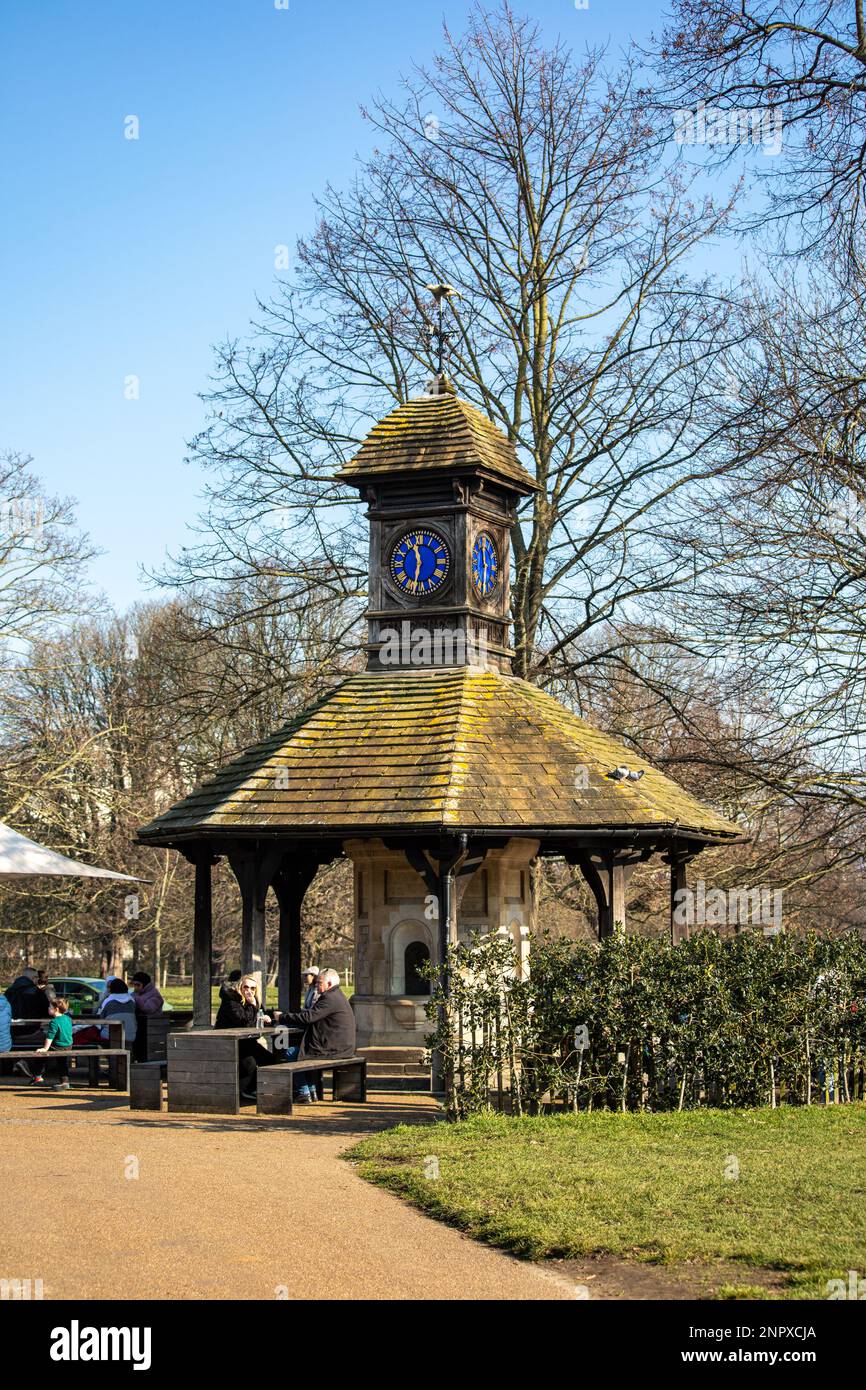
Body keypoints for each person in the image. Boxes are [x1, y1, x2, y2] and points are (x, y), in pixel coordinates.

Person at [276, 967, 356, 1104]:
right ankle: (312, 1090)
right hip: (342, 1046)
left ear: (329, 984)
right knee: (303, 1053)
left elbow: (309, 1017)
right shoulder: (337, 995)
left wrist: (282, 1017)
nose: (316, 986)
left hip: (334, 1048)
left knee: (291, 1053)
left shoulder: (329, 998)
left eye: (319, 983)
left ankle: (303, 1092)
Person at [214, 974, 279, 1100]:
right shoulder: (231, 1000)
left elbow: (260, 1015)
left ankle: (253, 1088)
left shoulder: (254, 1000)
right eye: (246, 987)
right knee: (250, 1063)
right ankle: (245, 1091)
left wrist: (268, 1019)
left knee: (269, 1060)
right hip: (228, 1042)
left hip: (246, 1041)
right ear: (240, 987)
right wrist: (252, 1006)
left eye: (253, 988)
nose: (249, 991)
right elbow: (243, 1021)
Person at [29, 997, 73, 1089]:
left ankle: (37, 1076)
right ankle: (65, 1081)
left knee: (40, 1056)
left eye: (50, 1007)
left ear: (56, 1009)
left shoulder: (54, 1022)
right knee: (62, 1062)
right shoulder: (68, 1018)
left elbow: (50, 1037)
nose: (48, 1009)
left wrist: (45, 1048)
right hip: (68, 1045)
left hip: (59, 1046)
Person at [5, 967, 51, 1045]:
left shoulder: (9, 991)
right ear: (34, 978)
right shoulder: (37, 992)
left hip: (11, 1031)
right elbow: (47, 1011)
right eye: (37, 977)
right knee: (53, 1038)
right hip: (31, 1031)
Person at [97, 978, 138, 1046]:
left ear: (111, 989)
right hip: (130, 1036)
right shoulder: (132, 1001)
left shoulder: (108, 1001)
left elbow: (100, 1019)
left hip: (109, 1036)